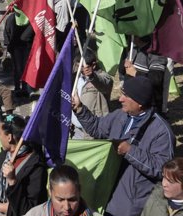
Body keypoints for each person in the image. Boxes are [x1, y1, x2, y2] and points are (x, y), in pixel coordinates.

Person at [72, 76, 175, 216]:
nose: (120, 99)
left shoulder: (161, 131)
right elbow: (97, 128)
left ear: (140, 102)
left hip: (131, 204)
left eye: (126, 96)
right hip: (107, 192)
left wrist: (129, 151)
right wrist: (79, 109)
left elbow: (161, 169)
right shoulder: (120, 115)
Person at [0, 115, 48, 216]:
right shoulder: (2, 158)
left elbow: (31, 209)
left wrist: (13, 182)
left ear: (9, 138)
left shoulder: (36, 166)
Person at [71, 49, 113, 139]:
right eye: (78, 66)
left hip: (92, 131)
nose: (80, 69)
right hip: (75, 130)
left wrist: (92, 76)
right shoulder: (75, 77)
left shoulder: (104, 77)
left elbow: (103, 84)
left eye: (82, 67)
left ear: (93, 65)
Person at [24, 164, 94, 216]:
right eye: (60, 200)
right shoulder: (34, 214)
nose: (67, 207)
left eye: (72, 200)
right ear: (50, 192)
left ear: (79, 191)